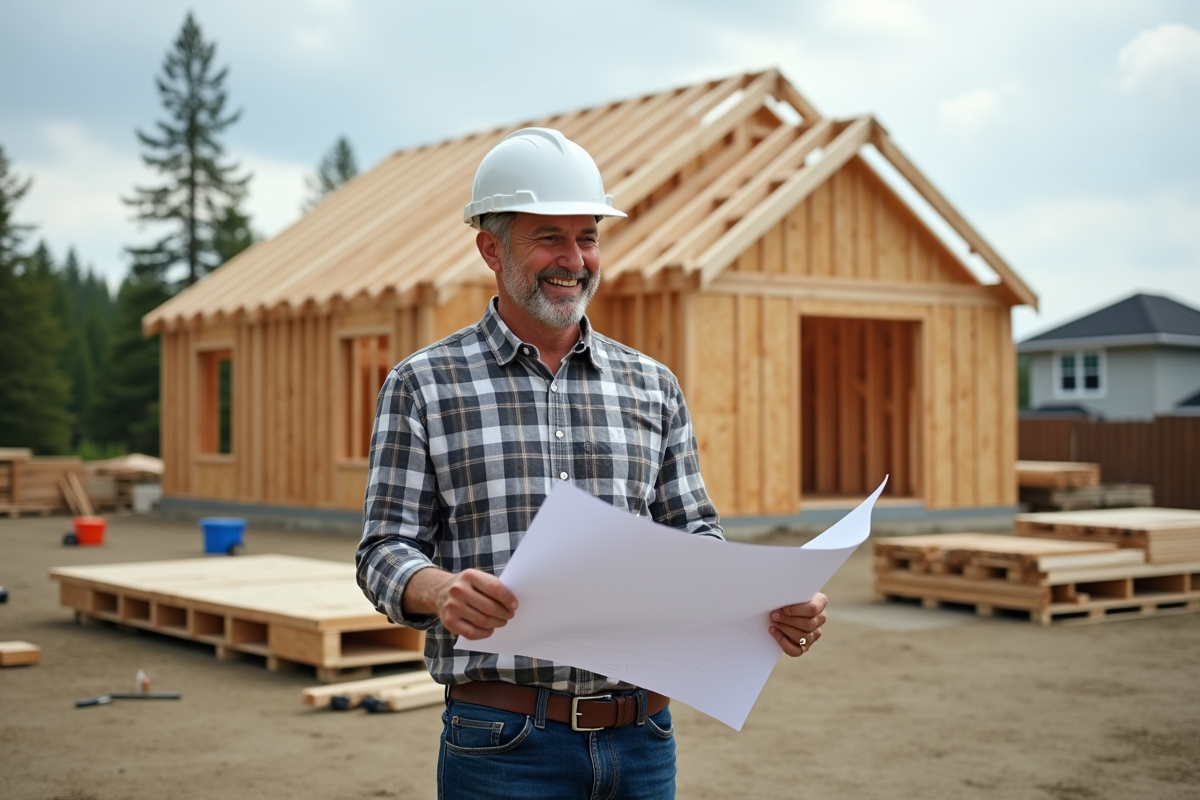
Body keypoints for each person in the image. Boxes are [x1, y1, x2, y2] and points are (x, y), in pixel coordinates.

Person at [356, 127, 828, 799]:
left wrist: (768, 601)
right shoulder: (424, 385)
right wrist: (439, 591)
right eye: (548, 236)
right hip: (502, 744)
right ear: (491, 247)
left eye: (589, 236)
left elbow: (695, 536)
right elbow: (383, 550)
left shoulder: (652, 386)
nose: (574, 258)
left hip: (644, 739)